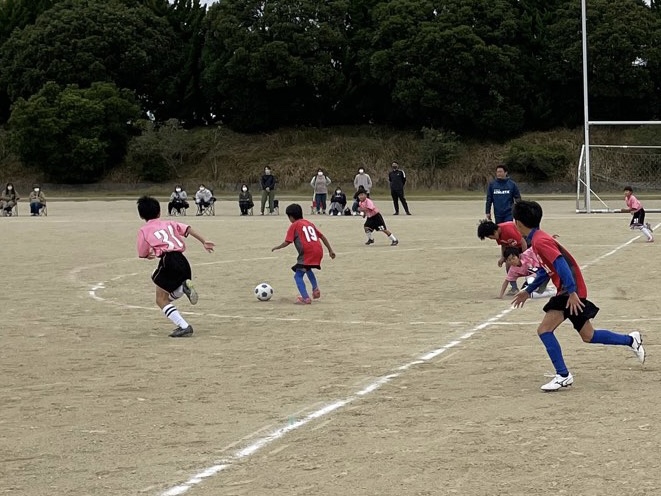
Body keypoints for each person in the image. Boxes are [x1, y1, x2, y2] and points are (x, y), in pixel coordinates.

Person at [510, 200, 645, 391]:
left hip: (569, 291)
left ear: (518, 223)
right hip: (570, 290)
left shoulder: (540, 241)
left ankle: (563, 375)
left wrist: (572, 292)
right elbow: (546, 270)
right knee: (588, 336)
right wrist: (527, 291)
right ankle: (631, 340)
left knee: (544, 330)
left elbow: (562, 265)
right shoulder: (538, 239)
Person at [136, 196, 215, 337]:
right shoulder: (169, 223)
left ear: (141, 215)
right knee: (167, 298)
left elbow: (142, 252)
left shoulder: (144, 230)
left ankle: (184, 326)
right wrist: (204, 241)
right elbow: (188, 229)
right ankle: (182, 288)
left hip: (168, 261)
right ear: (159, 212)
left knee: (160, 299)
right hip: (183, 261)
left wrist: (146, 255)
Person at [271, 203, 336, 304]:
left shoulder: (294, 225)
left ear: (291, 217)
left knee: (298, 276)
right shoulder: (309, 223)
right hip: (318, 251)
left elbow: (287, 242)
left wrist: (277, 247)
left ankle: (305, 298)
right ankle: (315, 289)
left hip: (307, 253)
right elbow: (322, 236)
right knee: (307, 269)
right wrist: (330, 250)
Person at [477, 219, 528, 295]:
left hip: (526, 244)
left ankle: (532, 283)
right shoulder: (498, 235)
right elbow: (504, 245)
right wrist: (503, 257)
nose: (491, 239)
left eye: (490, 237)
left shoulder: (508, 229)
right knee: (509, 264)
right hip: (515, 247)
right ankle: (514, 287)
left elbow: (523, 242)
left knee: (528, 266)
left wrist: (525, 256)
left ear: (495, 232)